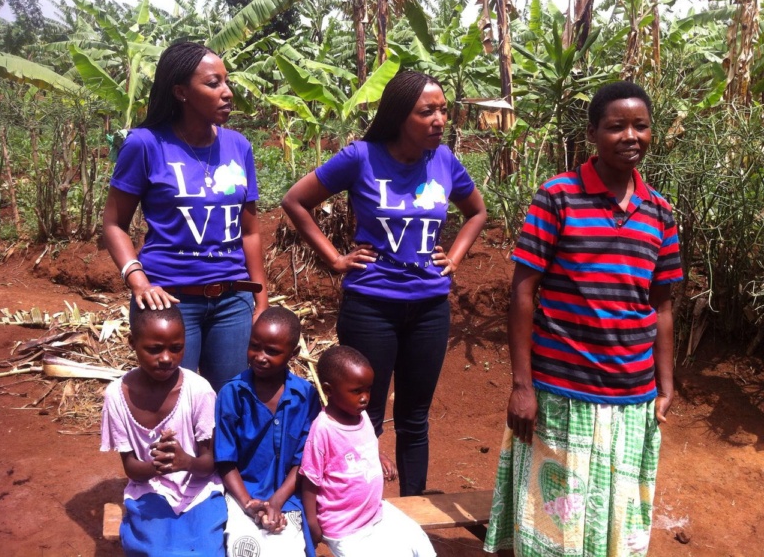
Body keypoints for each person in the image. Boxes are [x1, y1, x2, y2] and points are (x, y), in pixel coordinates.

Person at [483, 82, 684, 556]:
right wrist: (522, 385)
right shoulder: (558, 197)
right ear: (593, 133)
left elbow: (662, 306)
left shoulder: (660, 212)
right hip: (562, 389)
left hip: (632, 393)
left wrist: (666, 383)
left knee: (615, 515)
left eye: (641, 126)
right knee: (557, 519)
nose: (630, 136)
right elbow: (523, 291)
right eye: (616, 126)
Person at [282, 70, 487, 496]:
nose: (439, 120)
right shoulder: (361, 157)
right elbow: (296, 200)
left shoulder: (444, 160)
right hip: (371, 306)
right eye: (426, 112)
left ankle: (413, 508)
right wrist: (335, 258)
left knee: (415, 418)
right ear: (399, 116)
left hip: (430, 308)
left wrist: (454, 256)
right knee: (362, 416)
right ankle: (359, 509)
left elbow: (477, 212)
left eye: (443, 110)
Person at [102, 41, 268, 392]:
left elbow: (250, 232)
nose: (227, 92)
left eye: (226, 81)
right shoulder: (145, 144)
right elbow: (114, 223)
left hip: (233, 300)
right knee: (173, 401)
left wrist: (261, 301)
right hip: (169, 300)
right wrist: (138, 281)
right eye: (213, 83)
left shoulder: (239, 146)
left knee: (228, 402)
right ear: (180, 92)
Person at [100, 305, 226, 556]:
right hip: (150, 488)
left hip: (198, 489)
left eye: (176, 348)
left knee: (205, 551)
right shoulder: (116, 395)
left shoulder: (199, 390)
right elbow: (132, 468)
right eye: (154, 349)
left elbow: (208, 464)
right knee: (156, 550)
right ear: (132, 343)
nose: (167, 358)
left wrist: (185, 461)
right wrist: (159, 466)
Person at [300, 345, 437, 557]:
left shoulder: (361, 416)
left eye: (368, 389)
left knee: (420, 544)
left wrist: (380, 456)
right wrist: (312, 523)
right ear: (328, 390)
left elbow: (362, 445)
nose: (365, 397)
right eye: (356, 391)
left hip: (374, 512)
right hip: (345, 527)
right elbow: (310, 480)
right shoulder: (324, 429)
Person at [214, 306, 321, 557]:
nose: (260, 357)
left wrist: (277, 500)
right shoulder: (232, 394)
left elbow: (304, 460)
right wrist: (248, 504)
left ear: (293, 354)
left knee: (288, 549)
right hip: (242, 494)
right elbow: (225, 460)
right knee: (243, 548)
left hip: (288, 496)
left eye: (272, 351)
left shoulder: (305, 396)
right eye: (255, 346)